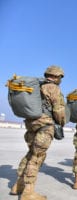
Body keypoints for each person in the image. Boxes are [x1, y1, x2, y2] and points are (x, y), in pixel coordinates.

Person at [10, 65, 65, 200]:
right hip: (45, 126)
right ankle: (28, 192)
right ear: (57, 76)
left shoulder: (37, 85)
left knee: (30, 154)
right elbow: (58, 111)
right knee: (37, 157)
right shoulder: (53, 88)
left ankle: (18, 185)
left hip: (31, 125)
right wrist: (61, 122)